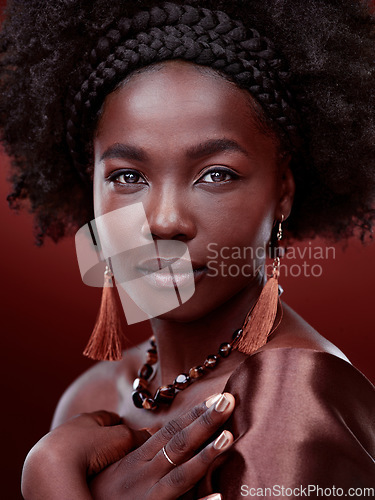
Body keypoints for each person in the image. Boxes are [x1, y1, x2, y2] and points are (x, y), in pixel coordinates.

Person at [0, 0, 374, 498]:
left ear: (282, 190)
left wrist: (50, 485)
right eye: (128, 176)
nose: (163, 220)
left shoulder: (294, 400)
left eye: (216, 174)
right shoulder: (91, 396)